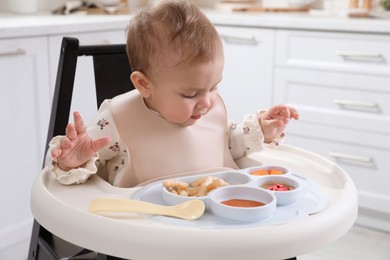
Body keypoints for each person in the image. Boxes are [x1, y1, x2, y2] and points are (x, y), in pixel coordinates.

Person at [48, 0, 299, 187]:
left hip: (212, 227)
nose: (207, 103)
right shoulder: (118, 121)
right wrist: (73, 162)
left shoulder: (211, 109)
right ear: (144, 84)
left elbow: (227, 144)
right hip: (144, 234)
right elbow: (86, 171)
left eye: (213, 87)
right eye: (190, 94)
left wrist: (261, 129)